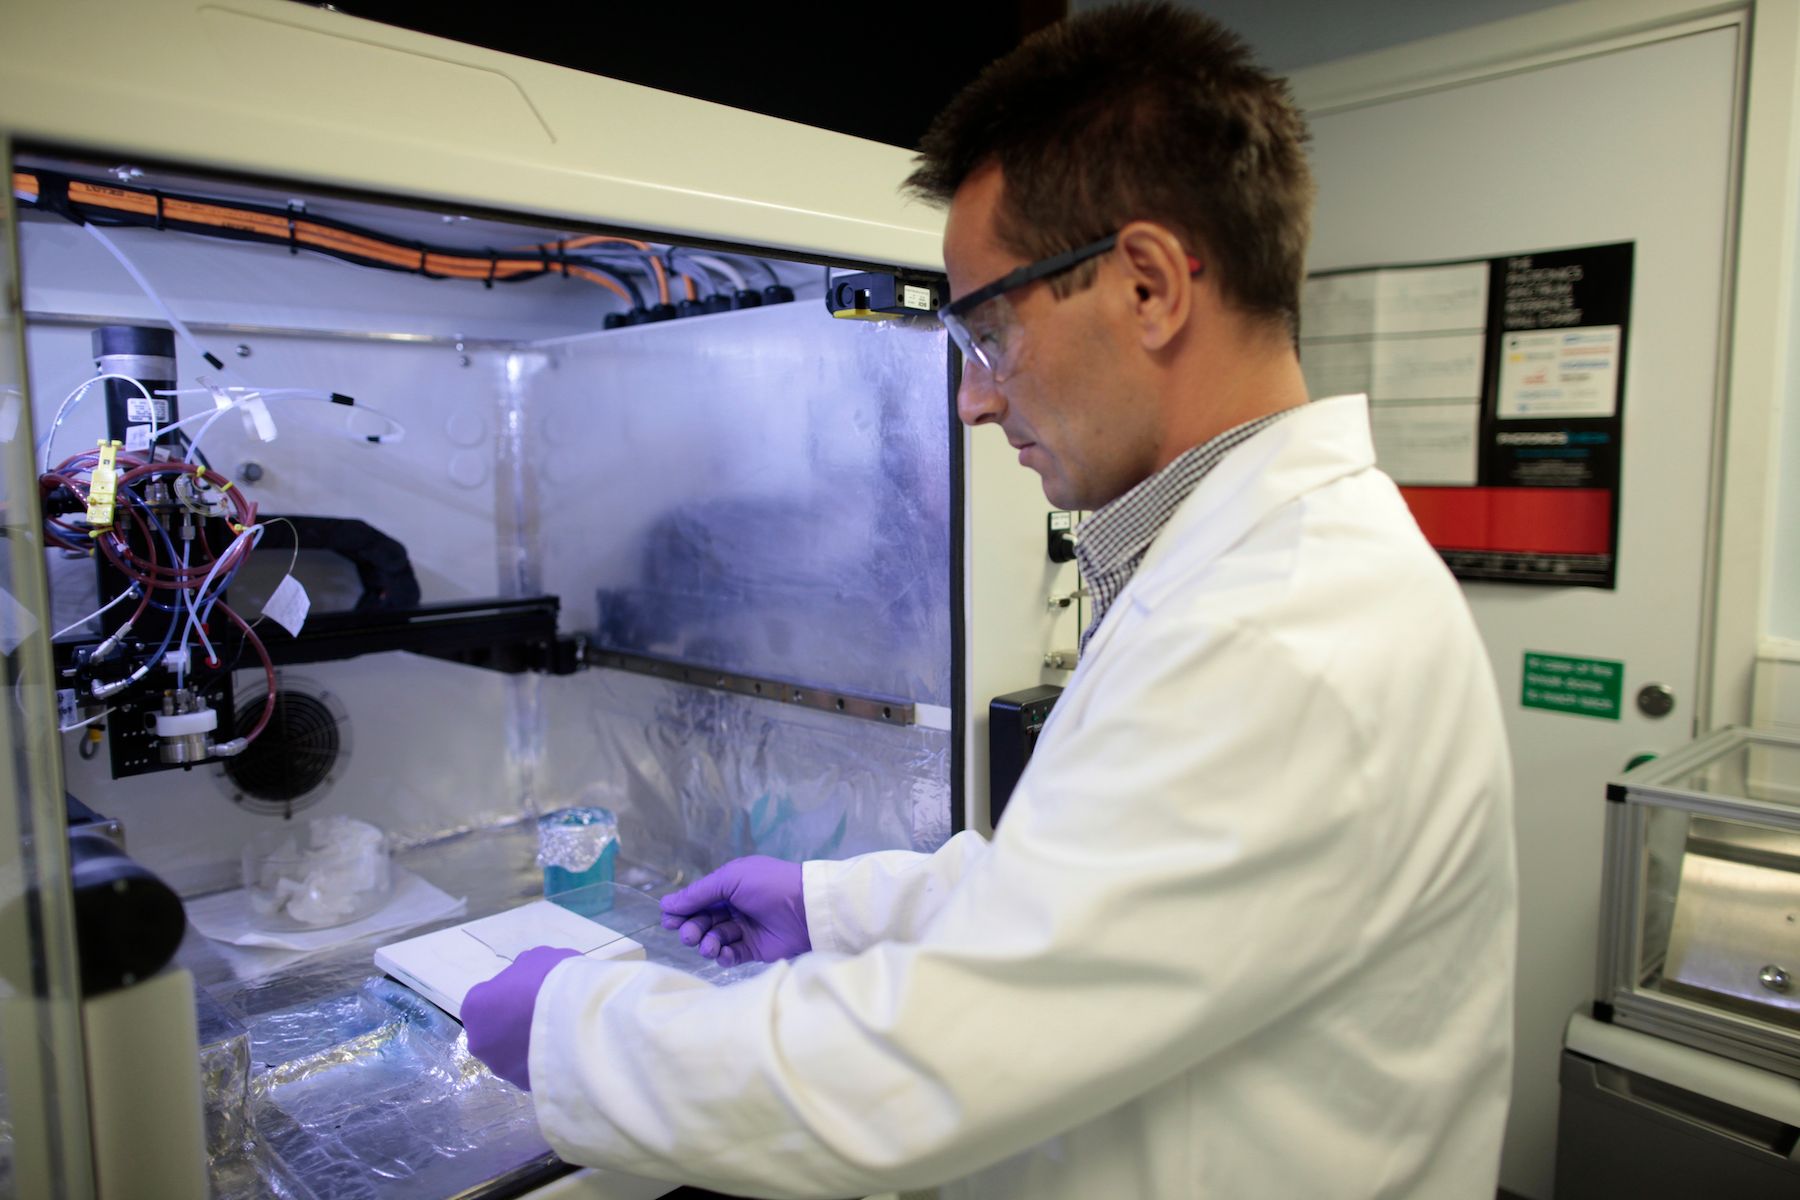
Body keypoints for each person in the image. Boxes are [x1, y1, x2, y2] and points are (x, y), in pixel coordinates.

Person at [462, 4, 1518, 1197]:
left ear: (1150, 287)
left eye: (987, 333)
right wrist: (834, 905)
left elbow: (921, 1067)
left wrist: (573, 1032)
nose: (971, 403)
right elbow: (1102, 902)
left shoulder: (1282, 631)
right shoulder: (1247, 572)